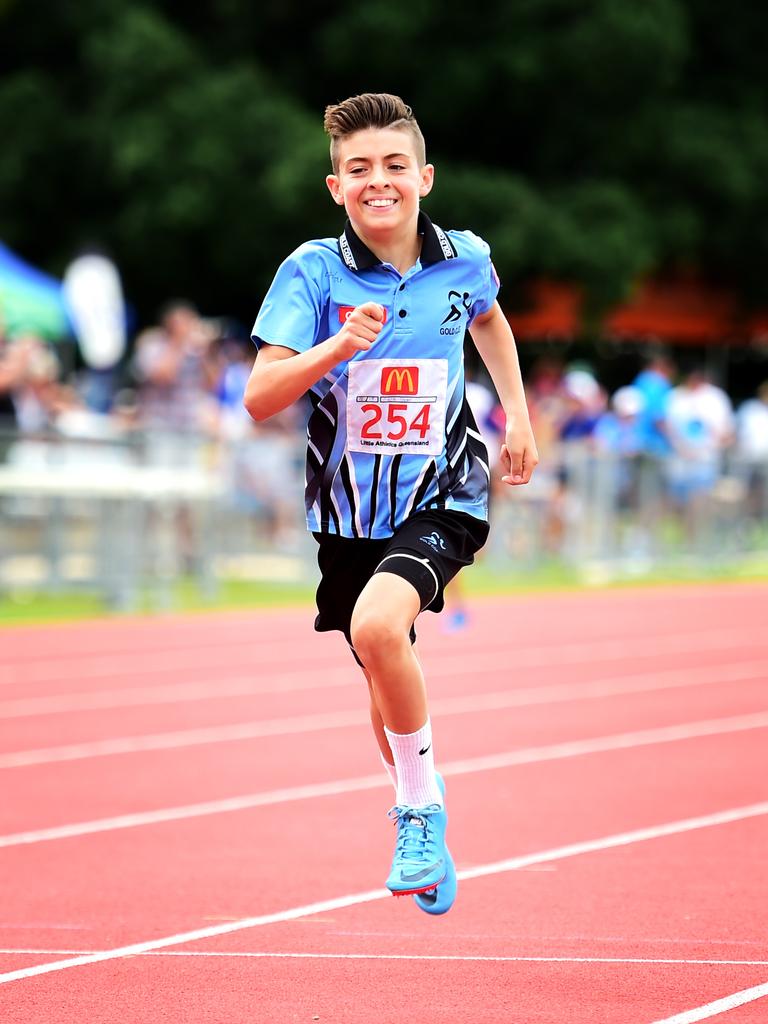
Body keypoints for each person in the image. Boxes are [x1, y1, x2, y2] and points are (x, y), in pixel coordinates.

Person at [244, 93, 538, 915]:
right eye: (360, 169)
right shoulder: (310, 272)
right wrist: (338, 345)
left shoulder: (466, 257)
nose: (380, 181)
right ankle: (422, 790)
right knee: (380, 667)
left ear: (425, 178)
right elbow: (260, 395)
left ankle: (419, 808)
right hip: (346, 511)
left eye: (395, 166)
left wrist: (517, 412)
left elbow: (490, 321)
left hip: (446, 487)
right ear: (336, 186)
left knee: (379, 629)